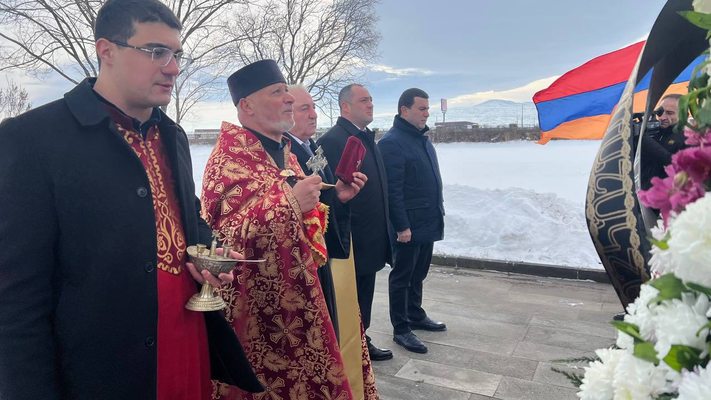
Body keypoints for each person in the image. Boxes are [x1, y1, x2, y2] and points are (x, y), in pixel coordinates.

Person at [0, 1, 260, 399]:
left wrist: (208, 250)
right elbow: (17, 299)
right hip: (103, 368)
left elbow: (185, 215)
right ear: (106, 51)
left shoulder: (172, 135)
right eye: (156, 51)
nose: (173, 68)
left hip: (187, 341)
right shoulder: (33, 138)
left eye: (177, 55)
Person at [201, 60, 359, 400]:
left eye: (287, 91)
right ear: (247, 105)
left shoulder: (286, 154)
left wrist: (337, 198)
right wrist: (288, 202)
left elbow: (306, 220)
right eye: (277, 92)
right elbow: (222, 239)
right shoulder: (227, 160)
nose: (288, 98)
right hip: (262, 315)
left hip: (306, 292)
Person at [286, 85, 378, 399]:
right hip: (314, 256)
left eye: (313, 107)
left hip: (332, 245)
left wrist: (339, 195)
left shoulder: (311, 146)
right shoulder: (287, 152)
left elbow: (323, 195)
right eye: (304, 109)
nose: (313, 114)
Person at [318, 84, 394, 361]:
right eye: (364, 100)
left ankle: (363, 339)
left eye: (371, 99)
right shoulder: (333, 141)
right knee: (351, 297)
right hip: (352, 240)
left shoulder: (365, 138)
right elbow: (329, 193)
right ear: (345, 107)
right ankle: (353, 345)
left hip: (372, 235)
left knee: (365, 294)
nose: (370, 104)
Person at [378, 88, 446, 354]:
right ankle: (401, 328)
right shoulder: (391, 143)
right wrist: (401, 226)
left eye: (427, 108)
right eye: (421, 108)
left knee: (419, 273)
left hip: (427, 219)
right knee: (402, 277)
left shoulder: (421, 139)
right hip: (408, 225)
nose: (426, 113)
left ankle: (415, 314)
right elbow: (392, 190)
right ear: (404, 110)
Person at [640, 93, 688, 190]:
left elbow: (678, 166)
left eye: (670, 113)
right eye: (660, 112)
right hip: (642, 193)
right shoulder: (652, 133)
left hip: (668, 195)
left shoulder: (689, 138)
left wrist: (646, 142)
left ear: (684, 115)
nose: (662, 117)